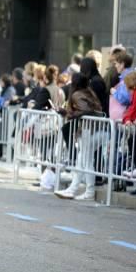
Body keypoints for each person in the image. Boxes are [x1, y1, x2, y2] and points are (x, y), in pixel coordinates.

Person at [55, 73, 103, 201]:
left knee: (86, 161)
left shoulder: (77, 94)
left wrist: (67, 114)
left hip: (90, 130)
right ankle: (73, 189)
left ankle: (89, 191)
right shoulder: (89, 92)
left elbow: (85, 110)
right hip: (97, 129)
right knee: (82, 161)